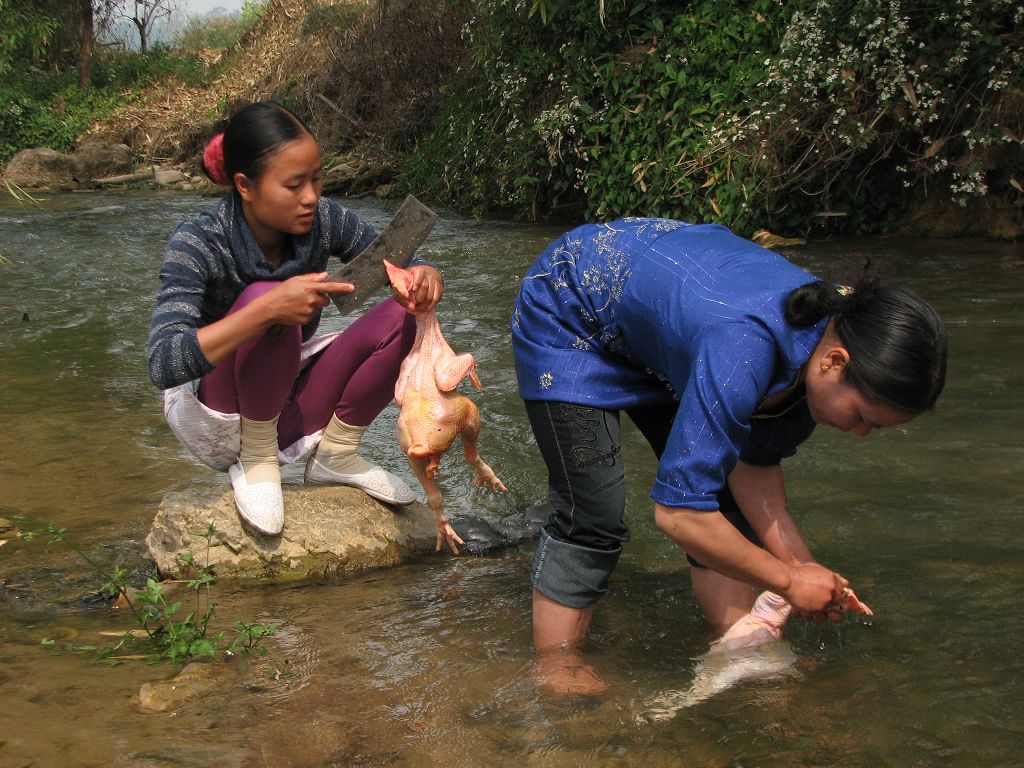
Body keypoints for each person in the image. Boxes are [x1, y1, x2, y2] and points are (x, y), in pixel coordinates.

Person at [511, 218, 947, 693]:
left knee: (717, 492)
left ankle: (740, 642)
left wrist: (805, 571)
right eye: (864, 417)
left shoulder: (813, 351)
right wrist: (784, 579)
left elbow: (752, 463)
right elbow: (678, 514)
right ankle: (556, 668)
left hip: (663, 321)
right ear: (836, 363)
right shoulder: (746, 348)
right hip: (574, 303)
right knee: (594, 513)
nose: (861, 433)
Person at [147, 101, 443, 536]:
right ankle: (258, 461)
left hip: (286, 394)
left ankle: (336, 454)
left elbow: (401, 259)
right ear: (245, 186)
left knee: (407, 316)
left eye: (317, 179)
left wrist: (425, 277)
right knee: (266, 296)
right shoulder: (198, 240)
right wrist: (265, 309)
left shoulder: (323, 220)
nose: (311, 196)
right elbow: (163, 363)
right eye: (293, 185)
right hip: (217, 418)